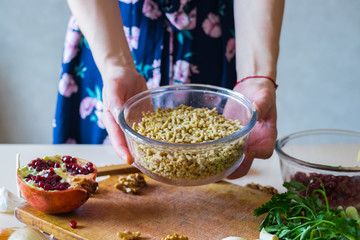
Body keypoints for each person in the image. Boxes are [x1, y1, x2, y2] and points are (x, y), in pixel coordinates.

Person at [53, 0, 285, 179]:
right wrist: (115, 64)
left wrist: (255, 76)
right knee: (102, 180)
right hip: (110, 30)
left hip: (210, 33)